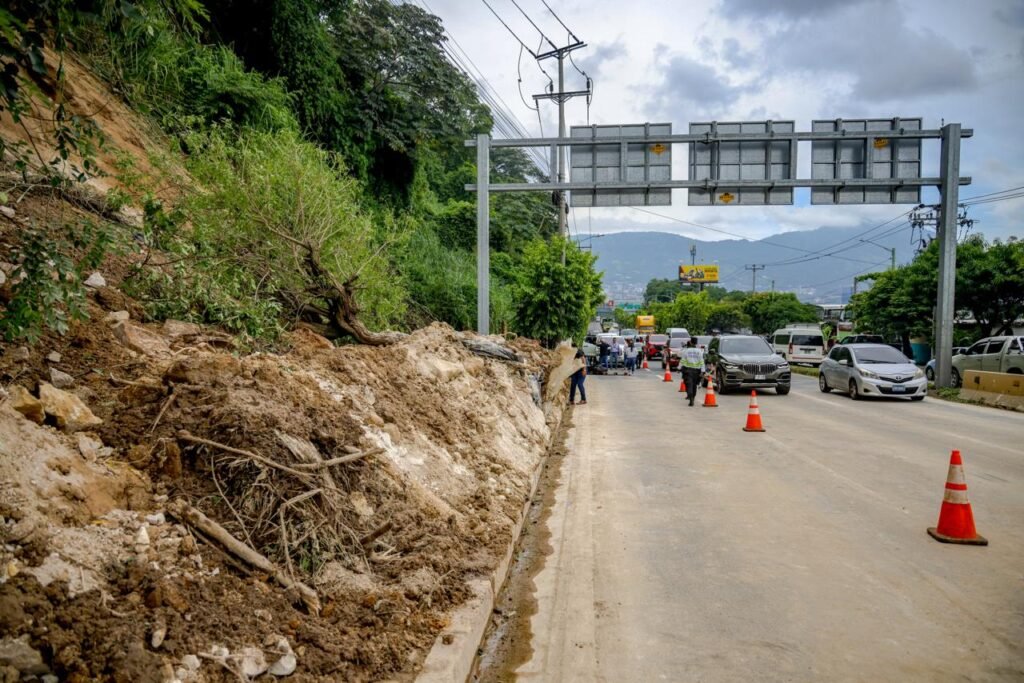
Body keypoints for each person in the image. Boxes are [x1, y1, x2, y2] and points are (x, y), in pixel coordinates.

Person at [680, 337, 704, 406]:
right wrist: (703, 370)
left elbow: (682, 361)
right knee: (694, 385)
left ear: (690, 342)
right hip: (697, 371)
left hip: (687, 370)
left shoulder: (686, 351)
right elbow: (701, 361)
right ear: (696, 343)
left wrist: (679, 368)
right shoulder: (699, 351)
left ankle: (690, 396)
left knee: (688, 384)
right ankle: (693, 397)